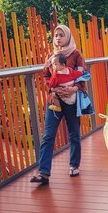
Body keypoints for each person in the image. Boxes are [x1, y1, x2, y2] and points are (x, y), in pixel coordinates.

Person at [32, 24, 86, 185]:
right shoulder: (51, 55)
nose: (58, 38)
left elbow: (83, 74)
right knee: (48, 135)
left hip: (72, 99)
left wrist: (74, 88)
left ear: (68, 37)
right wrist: (53, 89)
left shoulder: (76, 54)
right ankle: (44, 172)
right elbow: (45, 75)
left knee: (74, 134)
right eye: (56, 35)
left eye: (61, 35)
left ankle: (74, 165)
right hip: (54, 99)